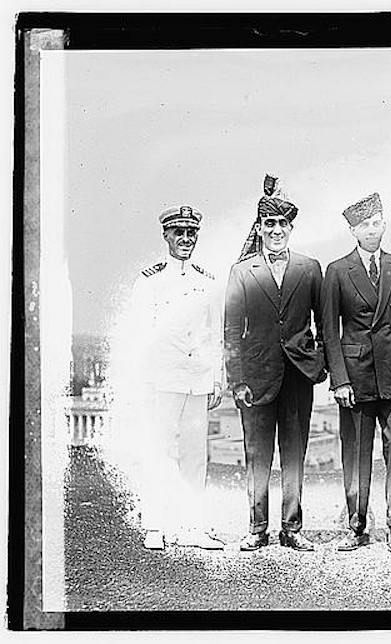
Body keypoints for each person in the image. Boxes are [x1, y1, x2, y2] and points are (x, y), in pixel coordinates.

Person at [224, 175, 327, 552]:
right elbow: (231, 330)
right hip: (256, 377)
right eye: (270, 224)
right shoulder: (242, 271)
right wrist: (237, 380)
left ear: (291, 227)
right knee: (257, 455)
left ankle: (292, 527)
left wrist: (322, 363)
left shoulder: (309, 267)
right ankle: (257, 527)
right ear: (260, 228)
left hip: (298, 376)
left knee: (295, 453)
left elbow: (323, 320)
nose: (276, 230)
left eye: (283, 224)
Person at [322, 192, 391, 553]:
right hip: (354, 377)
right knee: (355, 453)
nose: (372, 230)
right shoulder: (337, 271)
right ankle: (357, 525)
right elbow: (328, 331)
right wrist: (339, 380)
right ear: (353, 231)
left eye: (377, 222)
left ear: (385, 224)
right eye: (365, 225)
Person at [131, 204, 224, 551]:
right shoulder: (150, 280)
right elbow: (139, 334)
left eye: (191, 233)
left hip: (197, 378)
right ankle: (155, 525)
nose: (186, 239)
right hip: (163, 378)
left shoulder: (207, 280)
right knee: (160, 452)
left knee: (195, 454)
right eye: (178, 233)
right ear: (166, 235)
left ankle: (192, 527)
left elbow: (214, 332)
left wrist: (216, 377)